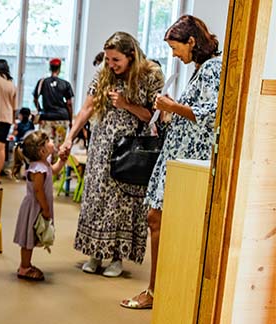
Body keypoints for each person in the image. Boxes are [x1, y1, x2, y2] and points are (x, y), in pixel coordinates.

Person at [121, 15, 222, 309]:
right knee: (157, 218)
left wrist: (172, 106)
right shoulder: (201, 69)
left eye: (176, 48)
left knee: (160, 219)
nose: (174, 55)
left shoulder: (213, 68)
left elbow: (210, 113)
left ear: (192, 42)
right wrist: (169, 114)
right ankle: (158, 289)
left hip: (190, 160)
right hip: (178, 154)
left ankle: (156, 291)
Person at [60, 32, 164, 277]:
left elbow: (154, 116)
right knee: (96, 198)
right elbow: (87, 108)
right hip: (101, 146)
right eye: (108, 59)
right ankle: (94, 252)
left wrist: (127, 104)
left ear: (131, 56)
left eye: (116, 60)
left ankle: (117, 257)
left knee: (122, 204)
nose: (111, 64)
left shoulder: (150, 76)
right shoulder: (104, 74)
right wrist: (69, 137)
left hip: (131, 149)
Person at [13, 131, 68, 281]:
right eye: (48, 140)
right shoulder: (38, 169)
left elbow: (54, 170)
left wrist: (62, 161)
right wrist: (45, 209)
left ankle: (26, 265)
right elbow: (38, 191)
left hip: (37, 206)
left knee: (31, 236)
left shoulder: (44, 163)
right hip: (35, 207)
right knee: (28, 238)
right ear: (42, 150)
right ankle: (24, 267)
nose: (52, 141)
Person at [33, 58, 74, 149]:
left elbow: (35, 99)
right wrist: (71, 120)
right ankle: (56, 163)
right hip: (62, 118)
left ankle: (45, 163)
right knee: (59, 146)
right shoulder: (65, 84)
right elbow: (69, 103)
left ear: (50, 68)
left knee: (44, 145)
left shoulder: (42, 82)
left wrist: (40, 110)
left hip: (47, 117)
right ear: (59, 69)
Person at [0, 59, 18, 184]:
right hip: (6, 119)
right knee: (0, 149)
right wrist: (13, 121)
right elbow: (14, 107)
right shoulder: (11, 84)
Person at [10, 107, 36, 179]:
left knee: (15, 154)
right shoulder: (31, 124)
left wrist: (14, 130)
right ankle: (27, 173)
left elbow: (14, 134)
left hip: (19, 146)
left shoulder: (18, 125)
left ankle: (16, 172)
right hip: (30, 146)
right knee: (28, 161)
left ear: (20, 115)